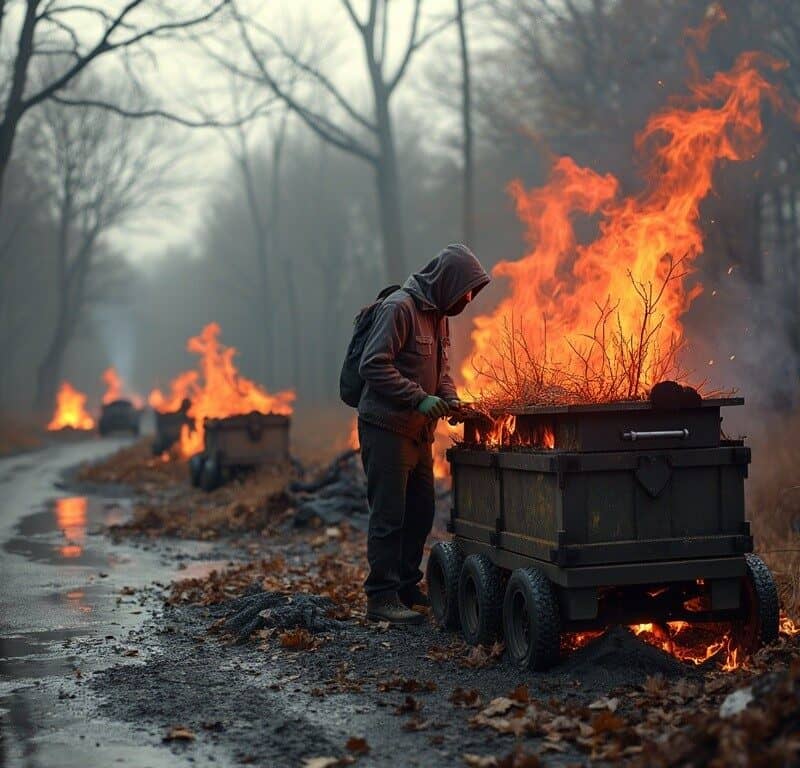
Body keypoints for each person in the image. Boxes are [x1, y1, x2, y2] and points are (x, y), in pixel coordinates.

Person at [357, 243, 490, 624]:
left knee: (421, 512)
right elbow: (373, 365)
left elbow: (442, 371)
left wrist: (449, 399)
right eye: (465, 288)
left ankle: (405, 587)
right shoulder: (399, 308)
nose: (467, 297)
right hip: (385, 429)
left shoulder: (440, 316)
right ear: (446, 280)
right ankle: (380, 597)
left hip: (419, 433)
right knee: (389, 514)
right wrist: (419, 398)